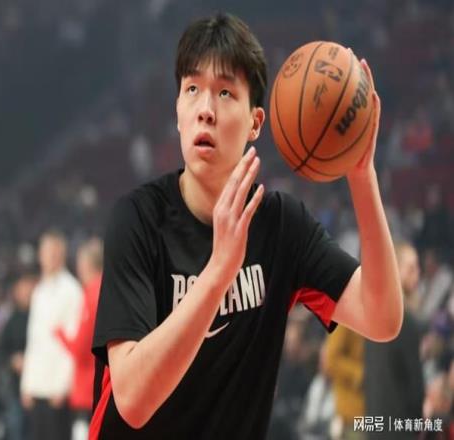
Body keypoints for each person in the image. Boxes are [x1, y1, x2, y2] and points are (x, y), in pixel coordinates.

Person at [91, 13, 403, 439]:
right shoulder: (138, 219)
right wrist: (219, 271)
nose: (205, 110)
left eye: (225, 92)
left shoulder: (281, 226)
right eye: (192, 89)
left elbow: (383, 318)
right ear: (177, 111)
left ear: (256, 122)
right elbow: (132, 401)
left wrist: (362, 175)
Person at [20, 230, 82, 440]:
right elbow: (33, 339)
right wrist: (27, 383)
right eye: (45, 252)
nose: (49, 257)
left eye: (53, 252)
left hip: (56, 388)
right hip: (37, 384)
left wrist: (63, 386)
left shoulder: (71, 290)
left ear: (61, 254)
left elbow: (73, 342)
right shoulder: (39, 291)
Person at [364, 242, 424, 440]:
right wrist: (417, 422)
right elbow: (415, 385)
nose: (417, 274)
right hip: (400, 430)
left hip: (375, 427)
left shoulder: (372, 316)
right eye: (411, 268)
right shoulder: (406, 322)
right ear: (394, 268)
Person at [55, 237, 103, 440]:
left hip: (88, 387)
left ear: (86, 264)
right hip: (101, 385)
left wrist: (60, 334)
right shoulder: (107, 288)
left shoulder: (92, 294)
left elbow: (82, 349)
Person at [0, 272, 37, 440]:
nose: (26, 293)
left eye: (29, 288)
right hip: (16, 387)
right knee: (17, 430)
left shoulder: (41, 316)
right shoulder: (11, 320)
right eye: (22, 289)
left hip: (40, 387)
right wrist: (13, 360)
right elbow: (1, 352)